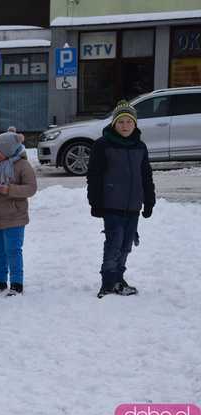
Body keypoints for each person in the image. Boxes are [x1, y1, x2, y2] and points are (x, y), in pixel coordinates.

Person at [87, 100, 155, 299]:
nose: (125, 126)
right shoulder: (103, 145)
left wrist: (149, 200)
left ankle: (119, 277)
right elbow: (94, 175)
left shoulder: (140, 146)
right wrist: (95, 202)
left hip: (133, 204)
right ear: (114, 124)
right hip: (111, 204)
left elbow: (146, 175)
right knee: (114, 242)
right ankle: (108, 281)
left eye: (129, 122)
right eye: (121, 122)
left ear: (135, 124)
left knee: (126, 244)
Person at [0, 132, 37, 296]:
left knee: (13, 250)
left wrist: (7, 189)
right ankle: (0, 281)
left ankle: (17, 282)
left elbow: (31, 188)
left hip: (15, 217)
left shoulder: (22, 166)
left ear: (10, 150)